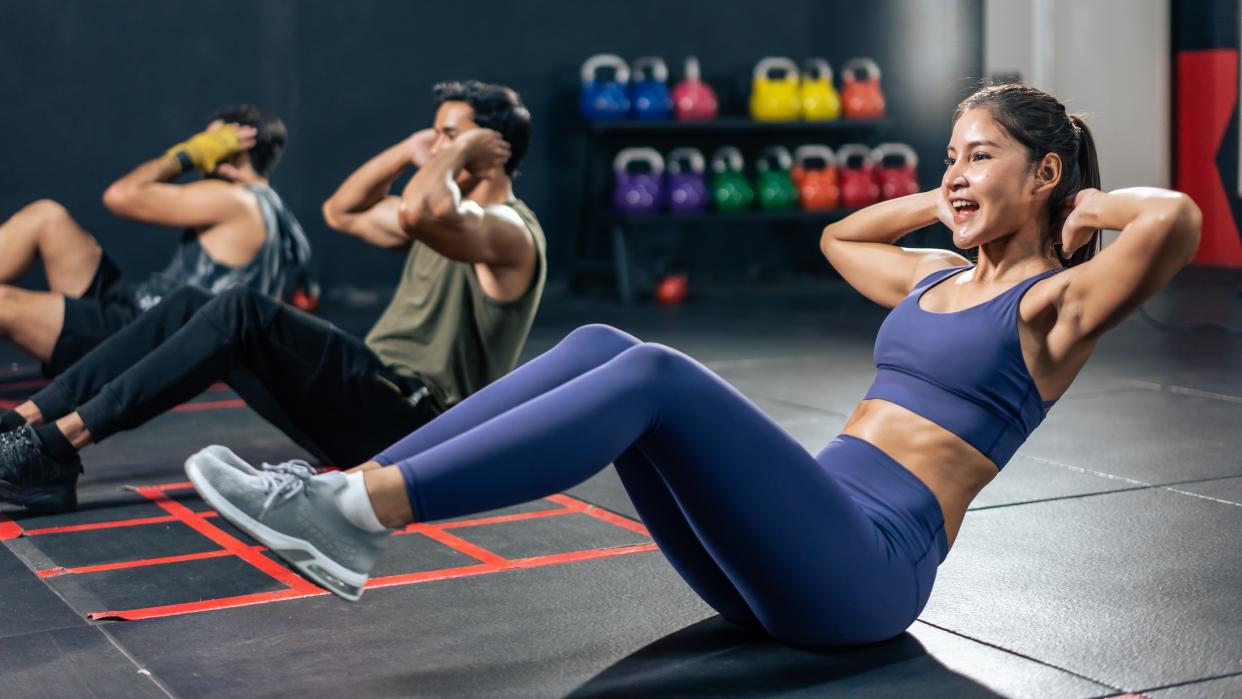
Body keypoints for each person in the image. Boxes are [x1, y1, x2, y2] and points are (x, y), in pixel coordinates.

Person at [186, 84, 1201, 646]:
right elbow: (843, 239)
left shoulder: (1053, 309)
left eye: (978, 156)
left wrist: (1073, 214)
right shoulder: (935, 277)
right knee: (598, 348)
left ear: (1049, 172)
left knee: (658, 377)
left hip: (868, 569)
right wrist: (951, 203)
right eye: (949, 154)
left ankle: (359, 514)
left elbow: (1175, 219)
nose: (952, 173)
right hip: (790, 543)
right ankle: (342, 500)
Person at [0, 81, 545, 515]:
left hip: (417, 420)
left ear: (492, 148)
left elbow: (421, 208)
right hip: (370, 398)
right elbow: (343, 211)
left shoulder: (508, 231)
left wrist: (465, 151)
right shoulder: (447, 221)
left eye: (450, 135)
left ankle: (54, 449)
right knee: (193, 300)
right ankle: (26, 427)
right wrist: (410, 149)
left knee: (240, 305)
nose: (436, 145)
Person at [0, 105, 310, 376]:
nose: (206, 154)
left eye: (213, 143)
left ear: (235, 150)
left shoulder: (234, 200)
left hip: (139, 341)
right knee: (47, 217)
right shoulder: (272, 210)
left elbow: (120, 196)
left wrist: (188, 154)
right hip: (137, 313)